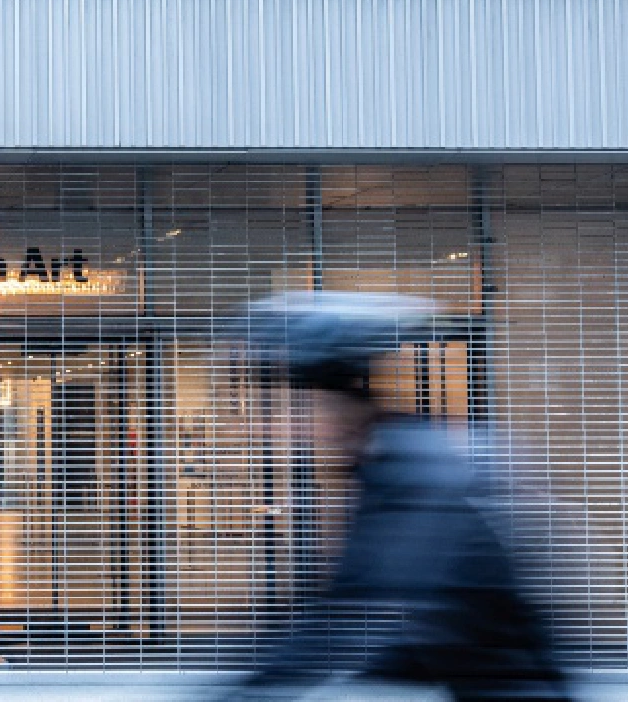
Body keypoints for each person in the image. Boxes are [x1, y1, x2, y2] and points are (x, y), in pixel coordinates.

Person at [213, 292, 575, 702]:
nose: (281, 429)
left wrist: (253, 691)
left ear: (333, 406)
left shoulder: (413, 473)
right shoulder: (388, 467)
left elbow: (354, 612)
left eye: (296, 408)